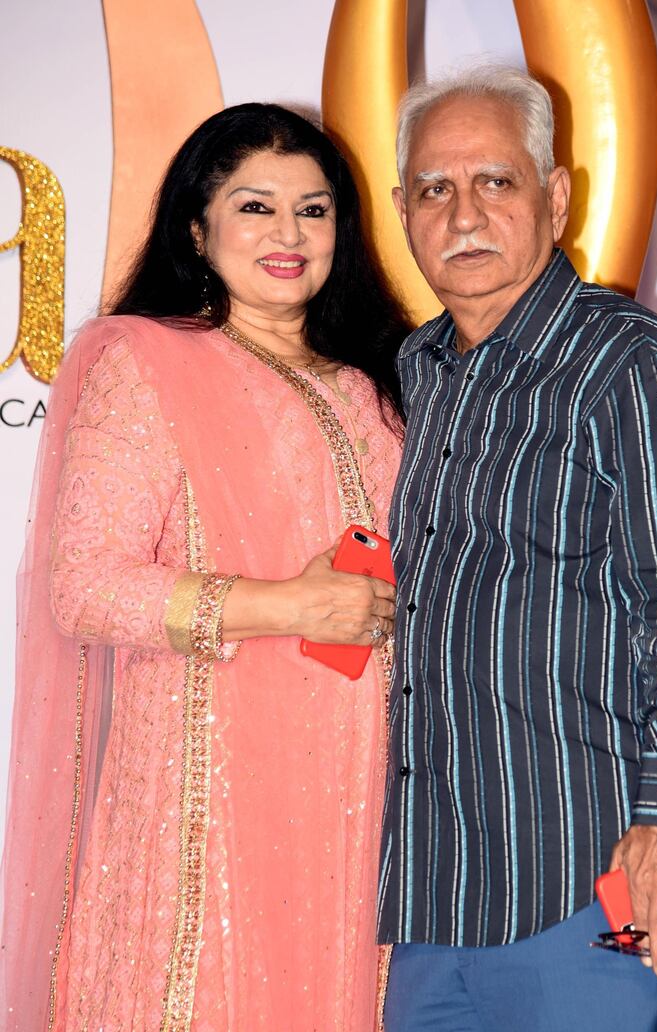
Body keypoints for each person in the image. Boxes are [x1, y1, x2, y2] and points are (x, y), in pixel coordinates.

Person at [0, 103, 409, 1031]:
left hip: (355, 789)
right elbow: (87, 587)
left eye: (314, 210)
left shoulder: (378, 385)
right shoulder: (146, 361)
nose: (288, 234)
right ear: (199, 224)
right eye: (255, 206)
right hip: (204, 786)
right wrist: (287, 604)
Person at [378, 66, 657, 1031]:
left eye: (495, 182)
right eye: (433, 187)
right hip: (434, 900)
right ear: (401, 210)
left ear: (556, 196)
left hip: (595, 881)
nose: (462, 212)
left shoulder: (632, 364)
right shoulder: (418, 373)